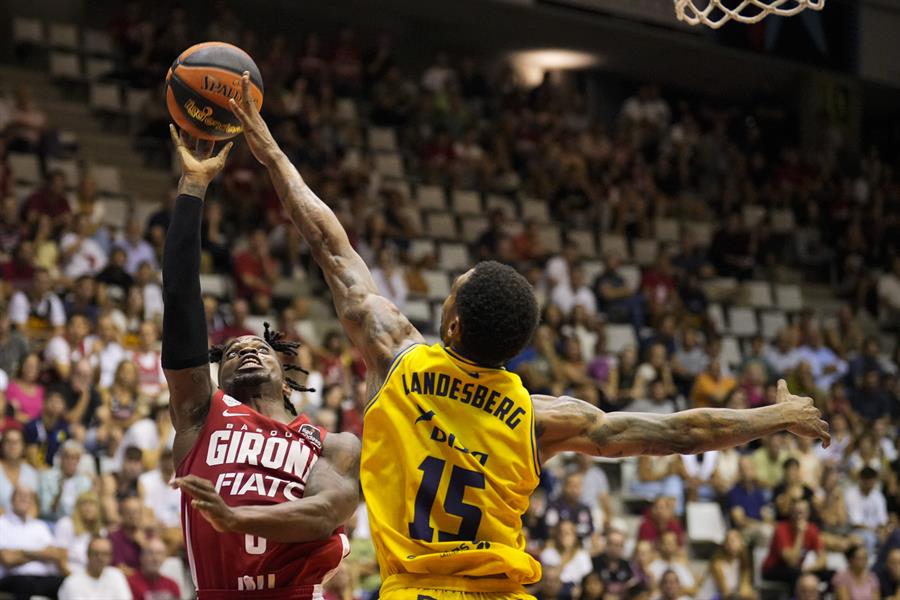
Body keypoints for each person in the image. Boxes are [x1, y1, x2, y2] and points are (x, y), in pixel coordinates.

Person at [229, 73, 830, 600]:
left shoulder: (397, 359)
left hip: (417, 590)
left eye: (453, 290)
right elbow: (676, 432)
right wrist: (771, 417)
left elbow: (330, 244)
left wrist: (267, 146)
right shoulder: (539, 418)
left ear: (453, 323)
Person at [161, 124, 360, 598]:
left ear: (286, 377)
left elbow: (325, 514)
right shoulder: (200, 416)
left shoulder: (333, 445)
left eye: (259, 347)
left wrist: (235, 518)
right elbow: (180, 297)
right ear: (218, 377)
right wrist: (193, 186)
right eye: (230, 351)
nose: (246, 348)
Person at [0, 485, 67, 600]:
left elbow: (55, 554)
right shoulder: (2, 523)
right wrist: (41, 554)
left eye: (28, 496)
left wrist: (22, 552)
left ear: (32, 501)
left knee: (67, 583)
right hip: (14, 578)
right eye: (20, 495)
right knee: (23, 583)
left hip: (43, 578)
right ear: (12, 499)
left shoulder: (40, 526)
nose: (24, 499)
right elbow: (8, 559)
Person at [762, 499, 827, 590]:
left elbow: (823, 560)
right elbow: (791, 562)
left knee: (831, 575)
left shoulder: (812, 529)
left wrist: (807, 570)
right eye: (796, 512)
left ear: (808, 514)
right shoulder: (781, 529)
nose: (798, 516)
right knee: (796, 574)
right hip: (773, 569)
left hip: (800, 569)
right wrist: (800, 534)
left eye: (802, 513)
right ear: (790, 513)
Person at [57, 536, 131, 600]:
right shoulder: (72, 582)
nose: (100, 558)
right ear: (87, 554)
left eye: (105, 554)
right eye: (95, 553)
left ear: (111, 556)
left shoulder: (116, 575)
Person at [37, 439, 93, 521]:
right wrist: (59, 493)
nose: (71, 461)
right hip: (53, 523)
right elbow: (45, 511)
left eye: (75, 458)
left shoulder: (85, 482)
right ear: (61, 458)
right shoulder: (47, 477)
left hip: (77, 524)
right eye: (68, 457)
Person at [0, 428, 39, 513]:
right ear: (2, 445)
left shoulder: (31, 473)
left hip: (25, 523)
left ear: (23, 446)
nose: (12, 445)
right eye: (8, 441)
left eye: (16, 442)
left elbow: (34, 507)